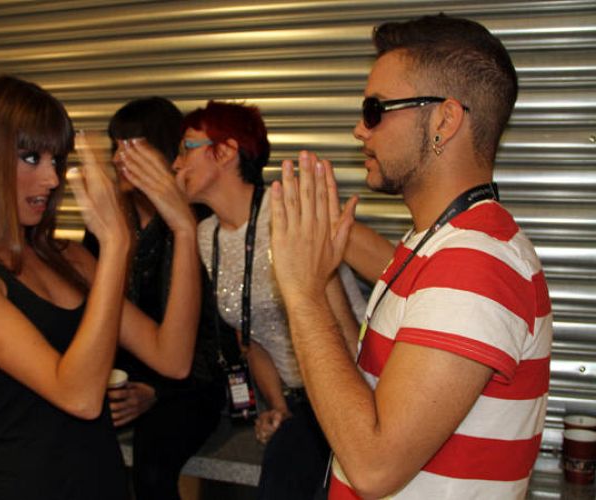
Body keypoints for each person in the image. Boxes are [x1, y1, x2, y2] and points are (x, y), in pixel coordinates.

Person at [269, 14, 552, 499]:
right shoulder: (435, 242)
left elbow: (374, 466)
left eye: (374, 110)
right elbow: (361, 391)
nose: (359, 130)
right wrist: (321, 277)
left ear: (444, 120)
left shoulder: (475, 263)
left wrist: (302, 296)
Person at [0, 76, 201, 499]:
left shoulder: (69, 257)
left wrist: (184, 230)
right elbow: (79, 397)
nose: (52, 179)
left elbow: (173, 358)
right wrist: (116, 246)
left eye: (57, 159)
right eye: (31, 158)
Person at [171, 100, 365, 499]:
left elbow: (390, 270)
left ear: (225, 151)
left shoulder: (286, 214)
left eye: (186, 148)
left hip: (348, 384)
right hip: (298, 398)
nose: (175, 165)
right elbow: (251, 334)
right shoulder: (207, 236)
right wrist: (278, 408)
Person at [83, 97, 234, 500]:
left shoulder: (200, 225)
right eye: (115, 146)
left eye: (132, 147)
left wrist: (155, 392)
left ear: (165, 154)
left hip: (190, 383)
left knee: (152, 465)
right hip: (119, 381)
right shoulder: (107, 222)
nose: (118, 158)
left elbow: (217, 336)